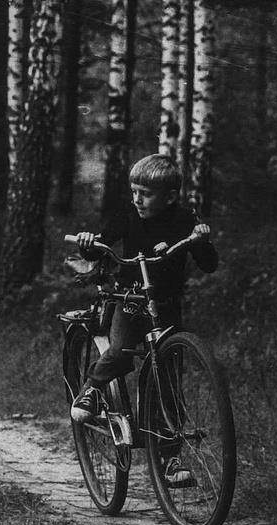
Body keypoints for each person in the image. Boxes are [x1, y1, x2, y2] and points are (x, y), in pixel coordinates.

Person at [69, 153, 218, 486]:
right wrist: (89, 244)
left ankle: (169, 459)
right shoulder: (127, 214)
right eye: (134, 191)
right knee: (120, 351)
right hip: (131, 300)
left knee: (167, 382)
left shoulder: (184, 218)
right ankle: (92, 389)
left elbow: (208, 263)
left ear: (170, 197)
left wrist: (202, 239)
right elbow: (102, 245)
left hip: (165, 306)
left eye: (146, 194)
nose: (138, 199)